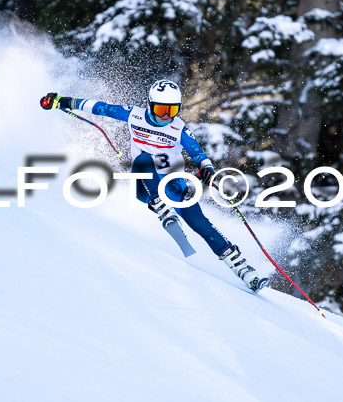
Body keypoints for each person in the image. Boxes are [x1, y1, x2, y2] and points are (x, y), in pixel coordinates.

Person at [40, 79, 268, 293]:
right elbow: (100, 107)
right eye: (161, 110)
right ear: (150, 105)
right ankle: (160, 207)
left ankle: (244, 270)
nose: (166, 116)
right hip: (145, 187)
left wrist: (207, 168)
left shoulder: (178, 128)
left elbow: (197, 152)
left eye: (172, 110)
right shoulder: (133, 116)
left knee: (203, 226)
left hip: (174, 188)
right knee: (143, 159)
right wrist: (62, 101)